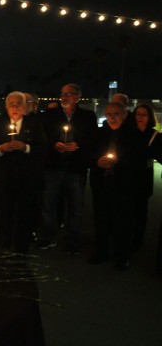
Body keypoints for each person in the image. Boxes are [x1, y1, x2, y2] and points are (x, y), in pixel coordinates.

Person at [38, 84, 97, 255]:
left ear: (78, 97)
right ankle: (48, 237)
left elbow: (93, 138)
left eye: (69, 94)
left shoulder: (88, 116)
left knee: (75, 208)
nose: (64, 97)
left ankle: (73, 241)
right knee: (48, 206)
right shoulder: (50, 114)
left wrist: (78, 145)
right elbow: (43, 135)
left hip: (75, 168)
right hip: (53, 166)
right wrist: (54, 144)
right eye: (62, 93)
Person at [89, 102, 144, 270]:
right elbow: (89, 154)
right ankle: (102, 252)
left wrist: (119, 162)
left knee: (123, 222)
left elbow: (138, 161)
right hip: (102, 184)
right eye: (109, 114)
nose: (112, 118)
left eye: (116, 114)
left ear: (124, 115)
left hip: (123, 186)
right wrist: (97, 161)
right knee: (101, 219)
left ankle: (122, 256)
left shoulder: (134, 135)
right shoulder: (99, 133)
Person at [0, 92, 45, 253]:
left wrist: (25, 147)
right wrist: (1, 148)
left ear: (25, 106)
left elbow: (42, 148)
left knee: (25, 211)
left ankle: (22, 245)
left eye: (18, 104)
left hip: (26, 177)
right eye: (11, 104)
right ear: (6, 107)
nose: (15, 107)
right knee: (4, 211)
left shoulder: (34, 124)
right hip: (5, 176)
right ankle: (4, 242)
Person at [132, 103, 158, 252]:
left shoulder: (155, 134)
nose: (140, 117)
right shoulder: (130, 131)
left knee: (141, 210)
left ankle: (137, 240)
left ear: (150, 117)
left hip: (144, 176)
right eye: (138, 114)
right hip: (129, 176)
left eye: (144, 114)